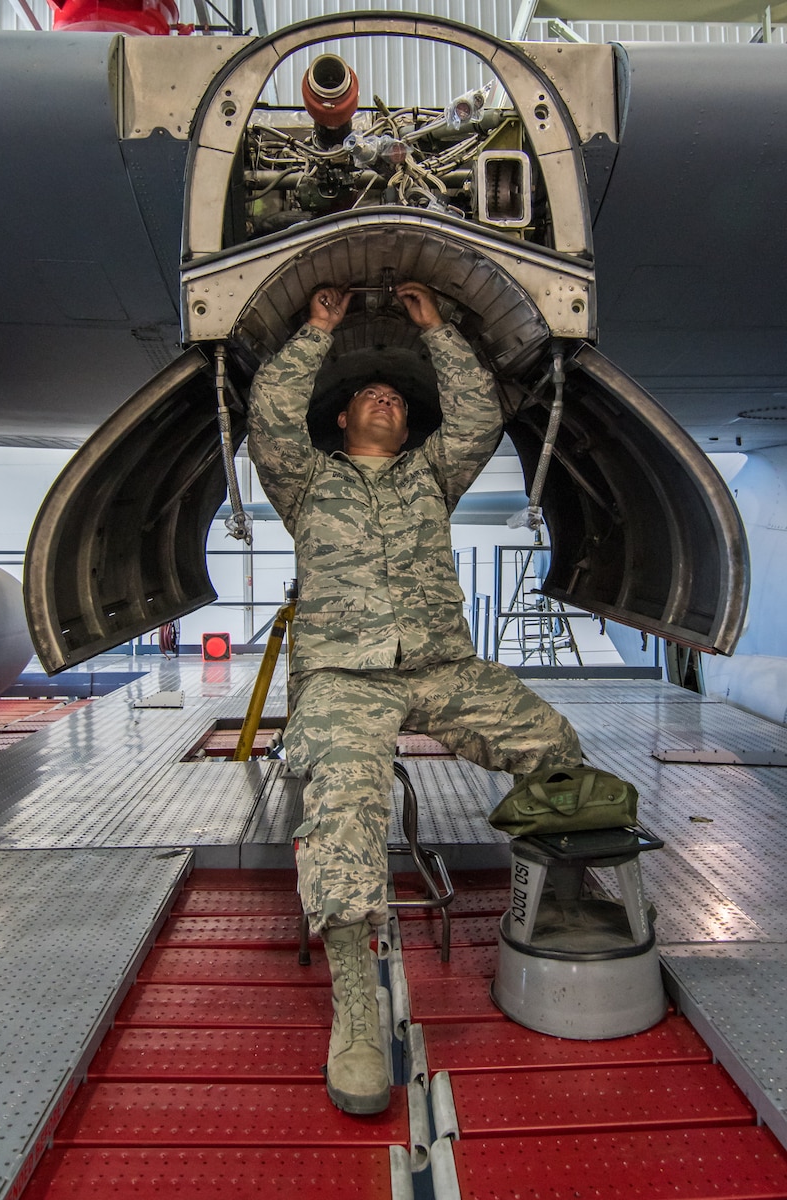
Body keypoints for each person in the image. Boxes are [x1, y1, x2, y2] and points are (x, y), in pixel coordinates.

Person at [247, 281, 581, 1115]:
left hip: (439, 665)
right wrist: (319, 330)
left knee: (552, 746)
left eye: (395, 395)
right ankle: (357, 1009)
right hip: (342, 677)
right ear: (342, 423)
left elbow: (475, 418)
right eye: (369, 393)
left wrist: (436, 333)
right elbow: (270, 421)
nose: (384, 397)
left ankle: (551, 902)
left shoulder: (433, 476)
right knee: (346, 807)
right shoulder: (306, 483)